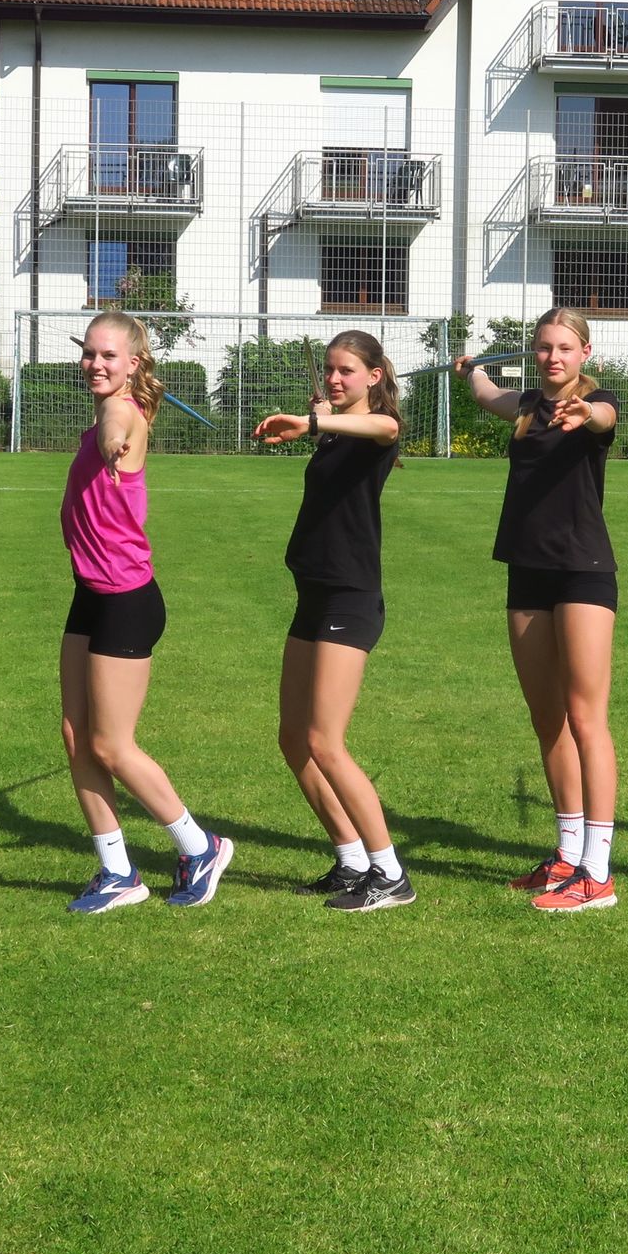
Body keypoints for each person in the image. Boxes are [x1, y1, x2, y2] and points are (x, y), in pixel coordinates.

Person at [60, 311, 234, 912]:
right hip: (90, 591)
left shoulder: (123, 413)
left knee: (111, 745)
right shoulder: (110, 409)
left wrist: (114, 442)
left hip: (125, 600)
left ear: (133, 364)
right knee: (76, 735)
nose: (95, 364)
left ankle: (200, 846)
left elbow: (119, 424)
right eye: (90, 353)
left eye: (108, 355)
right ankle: (117, 871)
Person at [457, 309, 622, 913]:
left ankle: (597, 873)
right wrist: (471, 370)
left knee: (586, 718)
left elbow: (603, 418)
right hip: (526, 571)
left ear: (584, 353)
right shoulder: (527, 406)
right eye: (545, 347)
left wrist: (586, 414)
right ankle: (567, 855)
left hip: (582, 571)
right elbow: (487, 395)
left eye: (564, 348)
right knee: (547, 719)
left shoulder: (597, 404)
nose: (554, 357)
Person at [253, 331, 412, 912]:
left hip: (350, 600)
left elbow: (385, 427)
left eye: (346, 370)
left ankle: (390, 874)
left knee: (325, 741)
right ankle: (351, 861)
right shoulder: (337, 430)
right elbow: (342, 425)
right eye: (329, 369)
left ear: (374, 375)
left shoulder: (376, 431)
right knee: (293, 739)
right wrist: (321, 420)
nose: (334, 378)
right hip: (312, 596)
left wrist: (314, 422)